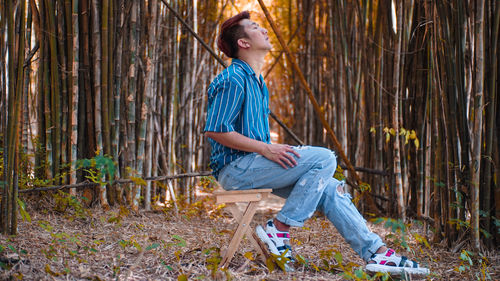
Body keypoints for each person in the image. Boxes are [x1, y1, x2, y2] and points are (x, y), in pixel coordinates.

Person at [204, 11, 429, 276]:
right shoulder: (233, 78)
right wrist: (267, 148)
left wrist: (270, 151)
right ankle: (280, 230)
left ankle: (377, 254)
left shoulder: (257, 81)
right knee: (324, 158)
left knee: (332, 188)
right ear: (243, 43)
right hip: (236, 169)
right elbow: (216, 131)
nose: (264, 30)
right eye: (255, 27)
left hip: (253, 165)